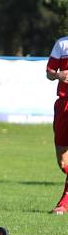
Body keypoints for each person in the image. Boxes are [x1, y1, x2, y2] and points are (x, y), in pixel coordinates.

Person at [45, 35, 68, 215]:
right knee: (63, 160)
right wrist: (58, 74)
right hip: (63, 104)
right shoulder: (62, 44)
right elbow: (49, 72)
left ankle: (64, 203)